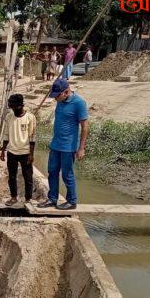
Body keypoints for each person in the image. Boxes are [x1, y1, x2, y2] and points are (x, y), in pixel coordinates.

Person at [39, 79, 89, 210]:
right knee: (52, 172)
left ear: (66, 92)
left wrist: (81, 148)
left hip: (68, 147)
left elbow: (85, 127)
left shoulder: (79, 103)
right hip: (55, 144)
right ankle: (52, 199)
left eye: (57, 95)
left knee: (67, 174)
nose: (55, 98)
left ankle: (72, 201)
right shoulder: (60, 102)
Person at [0, 94, 37, 206]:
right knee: (12, 176)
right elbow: (6, 135)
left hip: (25, 153)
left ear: (21, 106)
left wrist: (31, 154)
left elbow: (32, 137)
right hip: (12, 152)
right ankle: (13, 197)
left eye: (15, 107)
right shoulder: (9, 117)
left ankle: (28, 198)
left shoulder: (30, 117)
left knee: (28, 177)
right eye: (11, 107)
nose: (13, 109)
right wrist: (3, 151)